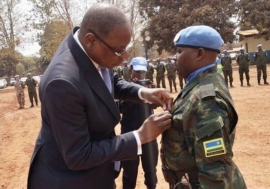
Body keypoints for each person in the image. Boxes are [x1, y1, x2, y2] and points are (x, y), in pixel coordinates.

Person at [27, 4, 172, 189]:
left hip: (96, 171)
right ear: (91, 40)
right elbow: (79, 155)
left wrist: (143, 92)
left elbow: (110, 82)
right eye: (119, 51)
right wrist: (140, 136)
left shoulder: (91, 52)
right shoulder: (62, 83)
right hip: (71, 180)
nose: (124, 57)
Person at [160, 25, 247, 189]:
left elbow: (215, 169)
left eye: (179, 51)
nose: (174, 57)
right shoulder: (203, 82)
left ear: (199, 53)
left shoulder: (207, 101)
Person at [119, 57, 158, 189]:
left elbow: (155, 106)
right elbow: (121, 108)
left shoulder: (149, 85)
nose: (140, 75)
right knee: (129, 174)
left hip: (149, 135)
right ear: (130, 70)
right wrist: (135, 93)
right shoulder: (123, 88)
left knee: (151, 173)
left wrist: (153, 94)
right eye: (137, 71)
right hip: (131, 136)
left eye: (142, 72)